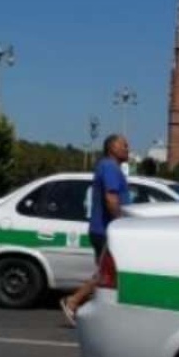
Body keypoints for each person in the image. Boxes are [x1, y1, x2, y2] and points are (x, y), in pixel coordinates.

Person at [61, 134, 130, 325]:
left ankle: (94, 309)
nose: (127, 148)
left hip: (102, 229)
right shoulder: (109, 167)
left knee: (107, 274)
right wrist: (120, 224)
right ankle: (73, 302)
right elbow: (111, 198)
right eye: (123, 145)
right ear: (112, 148)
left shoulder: (109, 167)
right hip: (106, 230)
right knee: (105, 273)